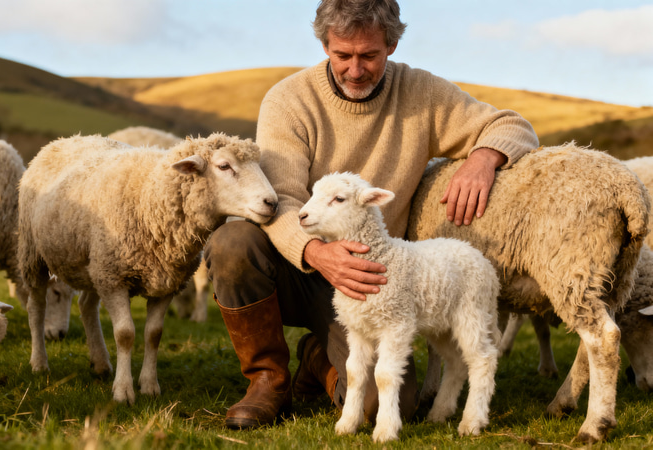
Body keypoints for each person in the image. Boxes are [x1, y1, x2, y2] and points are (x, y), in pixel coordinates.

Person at [204, 0, 539, 430]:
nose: (355, 69)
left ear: (393, 44)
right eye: (343, 55)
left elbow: (512, 125)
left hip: (376, 279)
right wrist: (316, 253)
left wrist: (484, 157)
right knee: (233, 243)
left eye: (369, 55)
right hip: (296, 265)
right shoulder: (289, 100)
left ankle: (317, 361)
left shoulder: (423, 94)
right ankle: (267, 379)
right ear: (325, 44)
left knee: (383, 406)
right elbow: (283, 198)